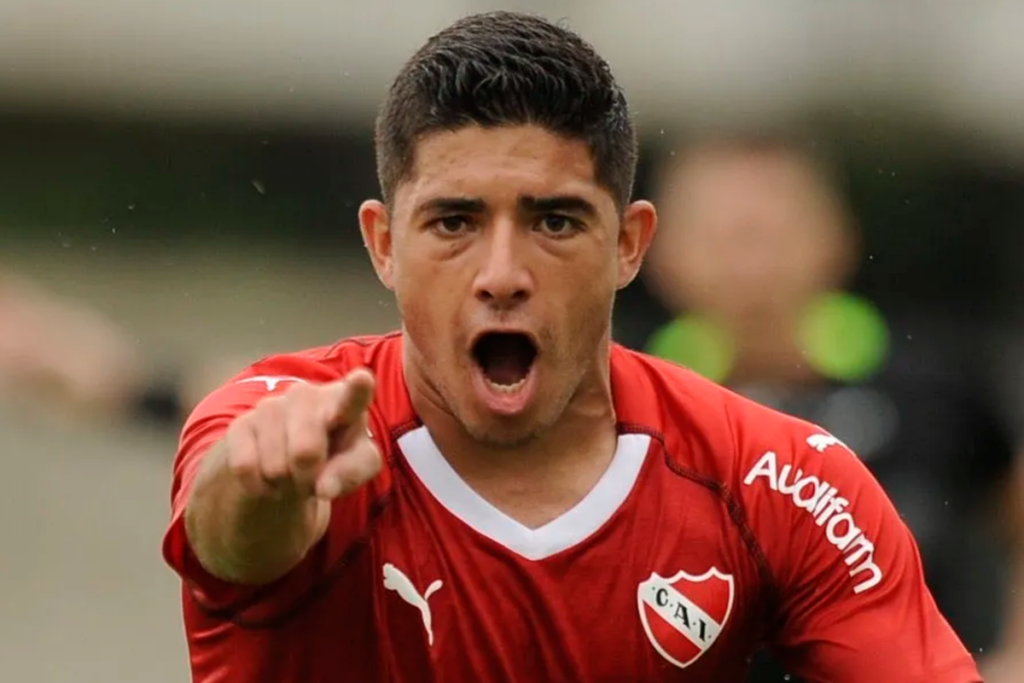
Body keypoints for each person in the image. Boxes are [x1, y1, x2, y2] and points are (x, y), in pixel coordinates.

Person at [162, 12, 982, 682]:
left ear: (630, 245)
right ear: (382, 244)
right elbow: (233, 539)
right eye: (454, 222)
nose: (503, 273)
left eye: (556, 221)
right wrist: (261, 484)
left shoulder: (779, 480)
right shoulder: (281, 431)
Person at [623, 137, 1015, 681]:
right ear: (651, 251)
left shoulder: (934, 383)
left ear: (838, 239)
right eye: (721, 238)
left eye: (771, 235)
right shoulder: (614, 399)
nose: (749, 266)